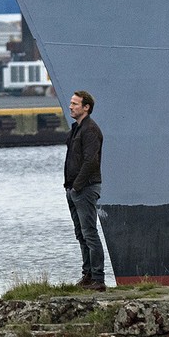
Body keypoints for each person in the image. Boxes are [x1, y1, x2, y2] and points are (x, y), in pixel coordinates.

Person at [64, 89, 106, 290]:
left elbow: (91, 161)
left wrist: (77, 186)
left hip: (86, 189)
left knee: (89, 233)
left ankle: (98, 279)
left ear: (86, 107)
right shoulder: (77, 129)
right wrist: (70, 187)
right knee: (81, 234)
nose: (71, 106)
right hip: (74, 189)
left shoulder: (90, 130)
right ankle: (87, 276)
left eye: (75, 104)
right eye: (71, 103)